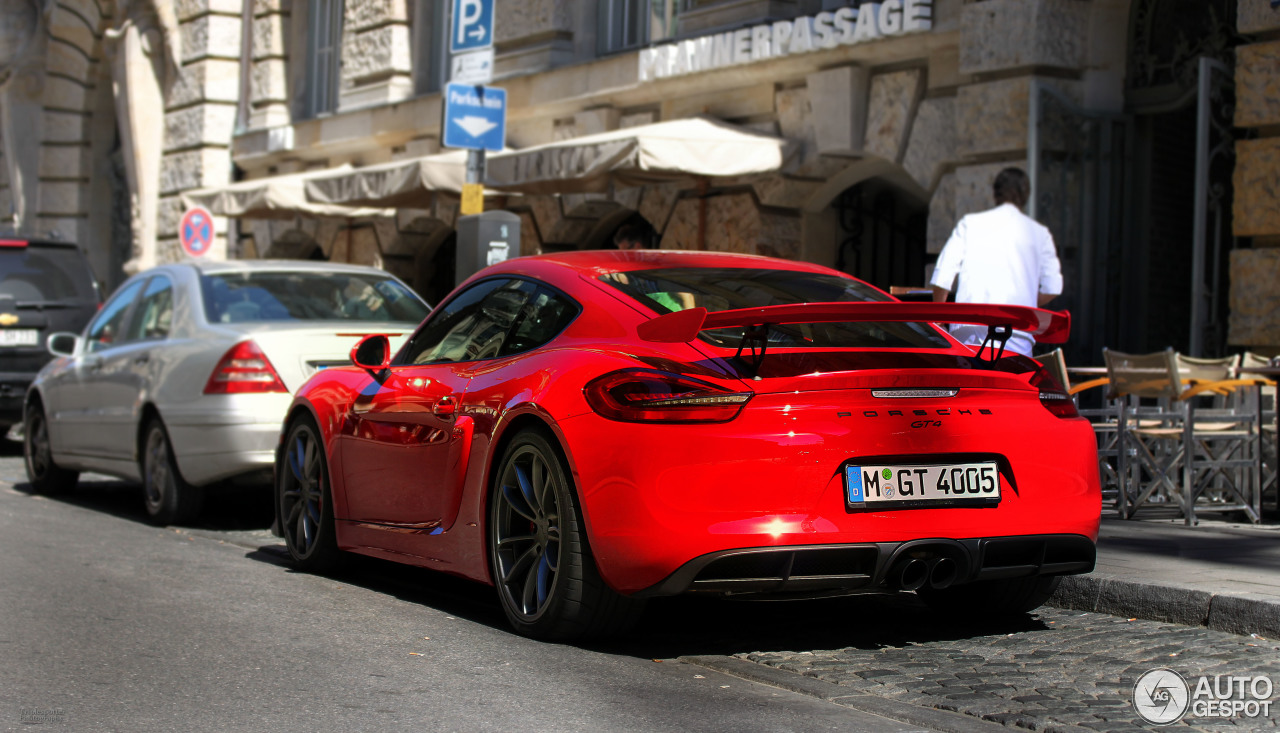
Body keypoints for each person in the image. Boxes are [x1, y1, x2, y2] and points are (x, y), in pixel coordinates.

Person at [929, 167, 1063, 357]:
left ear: (995, 194)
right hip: (1017, 339)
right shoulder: (1040, 234)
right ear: (1025, 196)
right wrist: (1027, 300)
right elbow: (1053, 288)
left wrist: (940, 320)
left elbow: (942, 276)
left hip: (968, 337)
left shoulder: (970, 224)